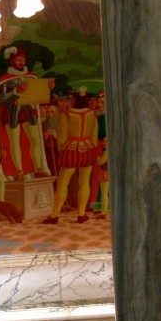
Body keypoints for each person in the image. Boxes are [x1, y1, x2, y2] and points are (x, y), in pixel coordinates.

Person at [43, 87, 98, 224]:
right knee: (84, 182)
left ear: (73, 99)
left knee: (62, 182)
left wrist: (61, 150)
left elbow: (62, 136)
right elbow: (94, 135)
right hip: (88, 149)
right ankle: (81, 214)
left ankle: (55, 215)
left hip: (71, 150)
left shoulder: (66, 114)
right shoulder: (92, 113)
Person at [0, 47, 49, 179]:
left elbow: (37, 95)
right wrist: (16, 91)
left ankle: (39, 168)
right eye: (18, 60)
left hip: (29, 111)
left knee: (36, 140)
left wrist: (47, 88)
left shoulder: (31, 76)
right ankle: (19, 170)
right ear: (12, 61)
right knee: (15, 142)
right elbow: (1, 98)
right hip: (12, 112)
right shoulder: (5, 78)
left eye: (23, 60)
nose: (21, 63)